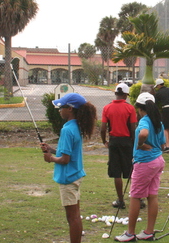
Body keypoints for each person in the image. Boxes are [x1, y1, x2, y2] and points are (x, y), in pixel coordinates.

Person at [40, 93, 96, 243]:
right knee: (75, 215)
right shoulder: (75, 126)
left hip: (68, 179)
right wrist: (51, 149)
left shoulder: (66, 130)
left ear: (70, 109)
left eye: (61, 107)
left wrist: (50, 158)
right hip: (75, 176)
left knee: (72, 218)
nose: (59, 110)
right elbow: (66, 152)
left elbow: (65, 159)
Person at [114, 92, 166, 242]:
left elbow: (143, 133)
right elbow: (162, 144)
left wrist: (139, 144)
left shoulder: (145, 121)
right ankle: (148, 232)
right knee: (152, 195)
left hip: (145, 163)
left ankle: (130, 234)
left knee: (136, 196)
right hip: (157, 161)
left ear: (140, 108)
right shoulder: (158, 122)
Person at [100, 83, 137, 209]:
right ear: (126, 95)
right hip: (127, 141)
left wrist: (104, 141)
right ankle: (138, 199)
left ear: (116, 93)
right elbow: (133, 128)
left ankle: (120, 200)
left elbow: (103, 128)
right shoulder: (130, 108)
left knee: (116, 172)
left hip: (114, 142)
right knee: (132, 171)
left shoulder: (107, 108)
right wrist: (134, 141)